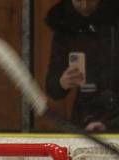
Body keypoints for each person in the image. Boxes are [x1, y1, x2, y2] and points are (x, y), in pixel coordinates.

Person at [44, 0, 119, 131]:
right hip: (85, 117)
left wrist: (110, 123)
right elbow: (52, 88)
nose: (85, 5)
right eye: (78, 0)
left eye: (90, 0)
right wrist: (62, 82)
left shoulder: (114, 18)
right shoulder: (64, 24)